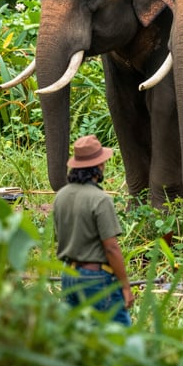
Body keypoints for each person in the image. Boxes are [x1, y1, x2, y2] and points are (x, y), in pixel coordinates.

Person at [53, 134, 134, 325]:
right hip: (96, 278)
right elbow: (111, 247)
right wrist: (125, 286)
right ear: (97, 167)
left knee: (79, 336)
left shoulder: (61, 196)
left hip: (69, 275)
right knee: (120, 335)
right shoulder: (100, 199)